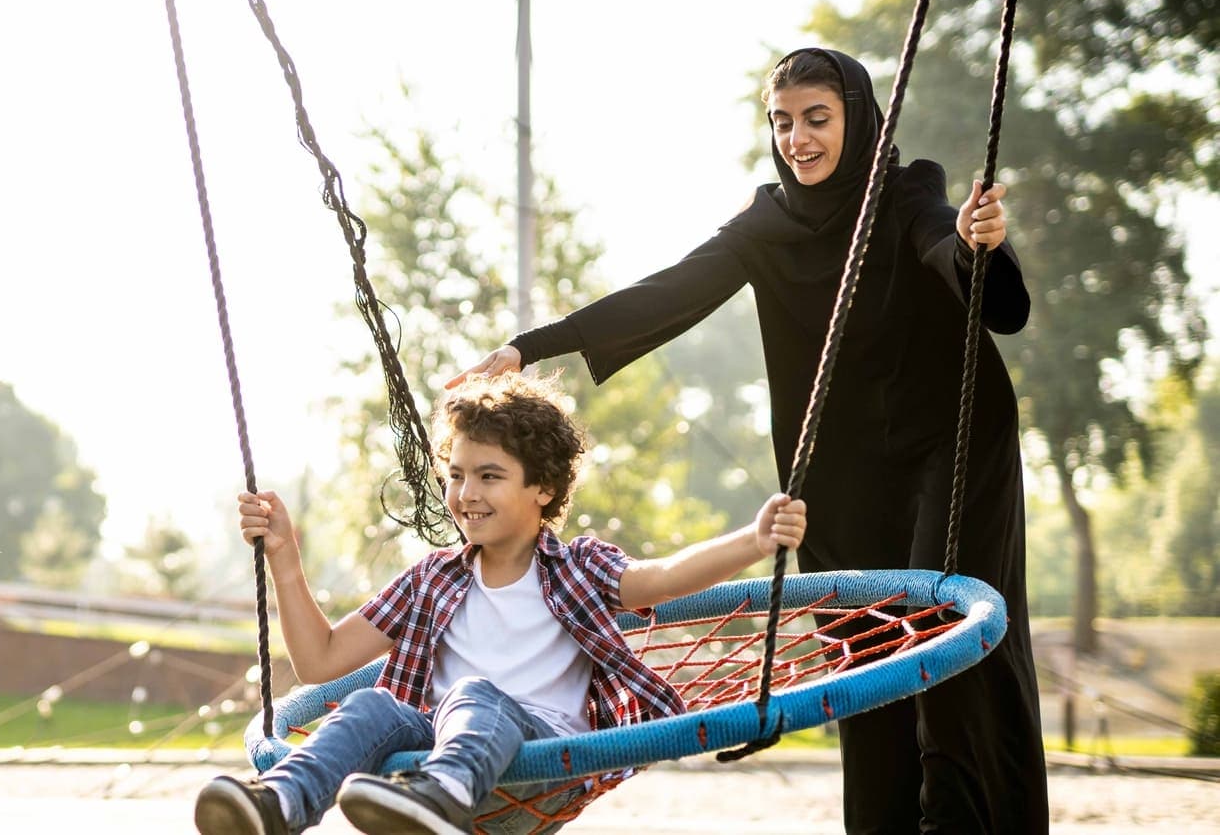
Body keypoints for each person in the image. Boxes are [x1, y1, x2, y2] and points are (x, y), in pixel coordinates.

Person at [449, 48, 1049, 833]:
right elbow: (667, 291)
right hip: (846, 466)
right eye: (783, 122)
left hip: (953, 441)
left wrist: (977, 246)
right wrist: (530, 346)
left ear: (860, 120)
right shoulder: (767, 226)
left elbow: (950, 250)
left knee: (940, 631)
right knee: (865, 653)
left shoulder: (905, 193)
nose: (798, 139)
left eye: (817, 119)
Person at [193, 370, 807, 835]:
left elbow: (664, 578)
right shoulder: (431, 579)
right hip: (437, 751)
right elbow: (320, 661)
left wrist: (753, 541)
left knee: (475, 694)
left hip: (539, 768)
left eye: (489, 476)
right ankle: (281, 802)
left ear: (543, 487)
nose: (466, 493)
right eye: (457, 475)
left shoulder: (579, 568)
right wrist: (284, 558)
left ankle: (439, 796)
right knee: (372, 704)